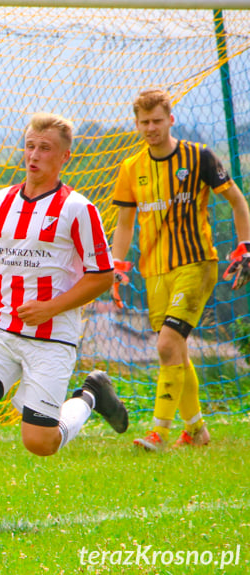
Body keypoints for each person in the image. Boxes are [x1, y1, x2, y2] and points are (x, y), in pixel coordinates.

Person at [0, 112, 128, 524]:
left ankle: (90, 395)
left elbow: (102, 276)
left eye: (44, 148)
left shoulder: (78, 210)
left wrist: (51, 307)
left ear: (64, 156)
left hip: (52, 338)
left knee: (40, 443)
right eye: (29, 145)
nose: (33, 155)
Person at [111, 89, 250, 452]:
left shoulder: (198, 156)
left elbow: (236, 200)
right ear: (137, 124)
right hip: (154, 271)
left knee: (167, 343)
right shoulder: (131, 168)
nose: (151, 128)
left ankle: (159, 432)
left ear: (170, 119)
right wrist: (117, 264)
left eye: (157, 120)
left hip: (197, 263)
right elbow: (125, 223)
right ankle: (197, 430)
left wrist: (245, 246)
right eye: (144, 122)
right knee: (177, 350)